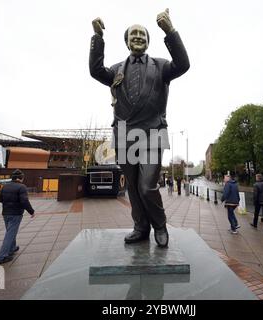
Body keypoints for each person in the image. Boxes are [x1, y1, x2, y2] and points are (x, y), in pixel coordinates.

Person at [89, 9, 189, 248]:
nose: (138, 37)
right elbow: (95, 71)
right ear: (126, 41)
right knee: (132, 188)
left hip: (153, 134)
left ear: (148, 40)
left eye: (142, 34)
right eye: (133, 34)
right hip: (124, 135)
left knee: (147, 186)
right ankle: (140, 227)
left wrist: (170, 31)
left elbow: (183, 64)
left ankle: (160, 225)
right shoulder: (115, 70)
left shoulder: (162, 66)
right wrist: (97, 38)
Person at [0, 169, 35, 265]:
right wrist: (31, 211)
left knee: (10, 231)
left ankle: (12, 248)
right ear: (20, 178)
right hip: (16, 214)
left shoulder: (5, 186)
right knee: (10, 234)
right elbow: (24, 201)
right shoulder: (21, 187)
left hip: (5, 213)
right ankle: (1, 257)